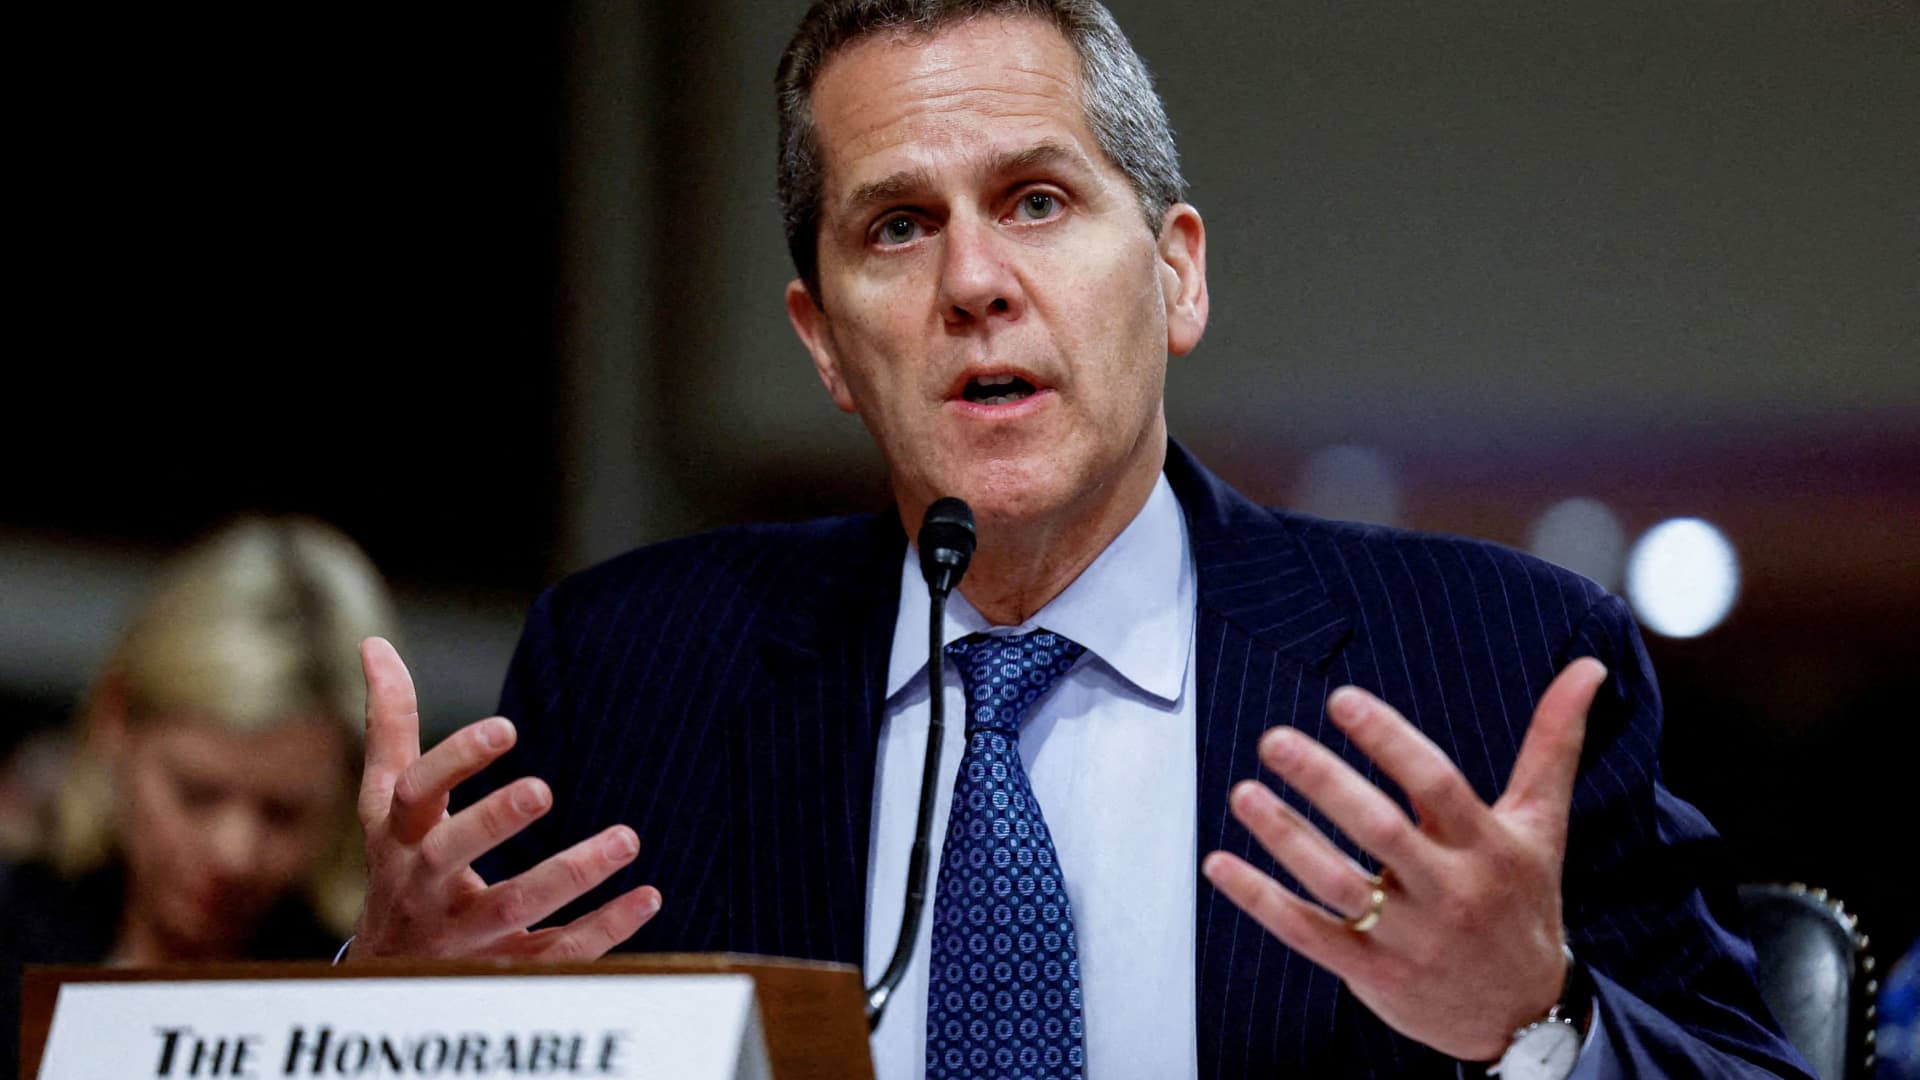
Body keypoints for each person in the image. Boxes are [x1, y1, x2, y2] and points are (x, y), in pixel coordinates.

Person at [348, 2, 1812, 1077]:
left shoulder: (1492, 667)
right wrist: (386, 1022)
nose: (975, 280)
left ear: (1175, 274)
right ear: (826, 347)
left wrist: (1538, 1026)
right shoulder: (632, 670)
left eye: (1037, 201)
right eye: (898, 228)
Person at [0, 516, 398, 1074]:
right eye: (196, 794)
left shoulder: (357, 993)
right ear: (117, 725)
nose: (233, 853)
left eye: (283, 813)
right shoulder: (14, 932)